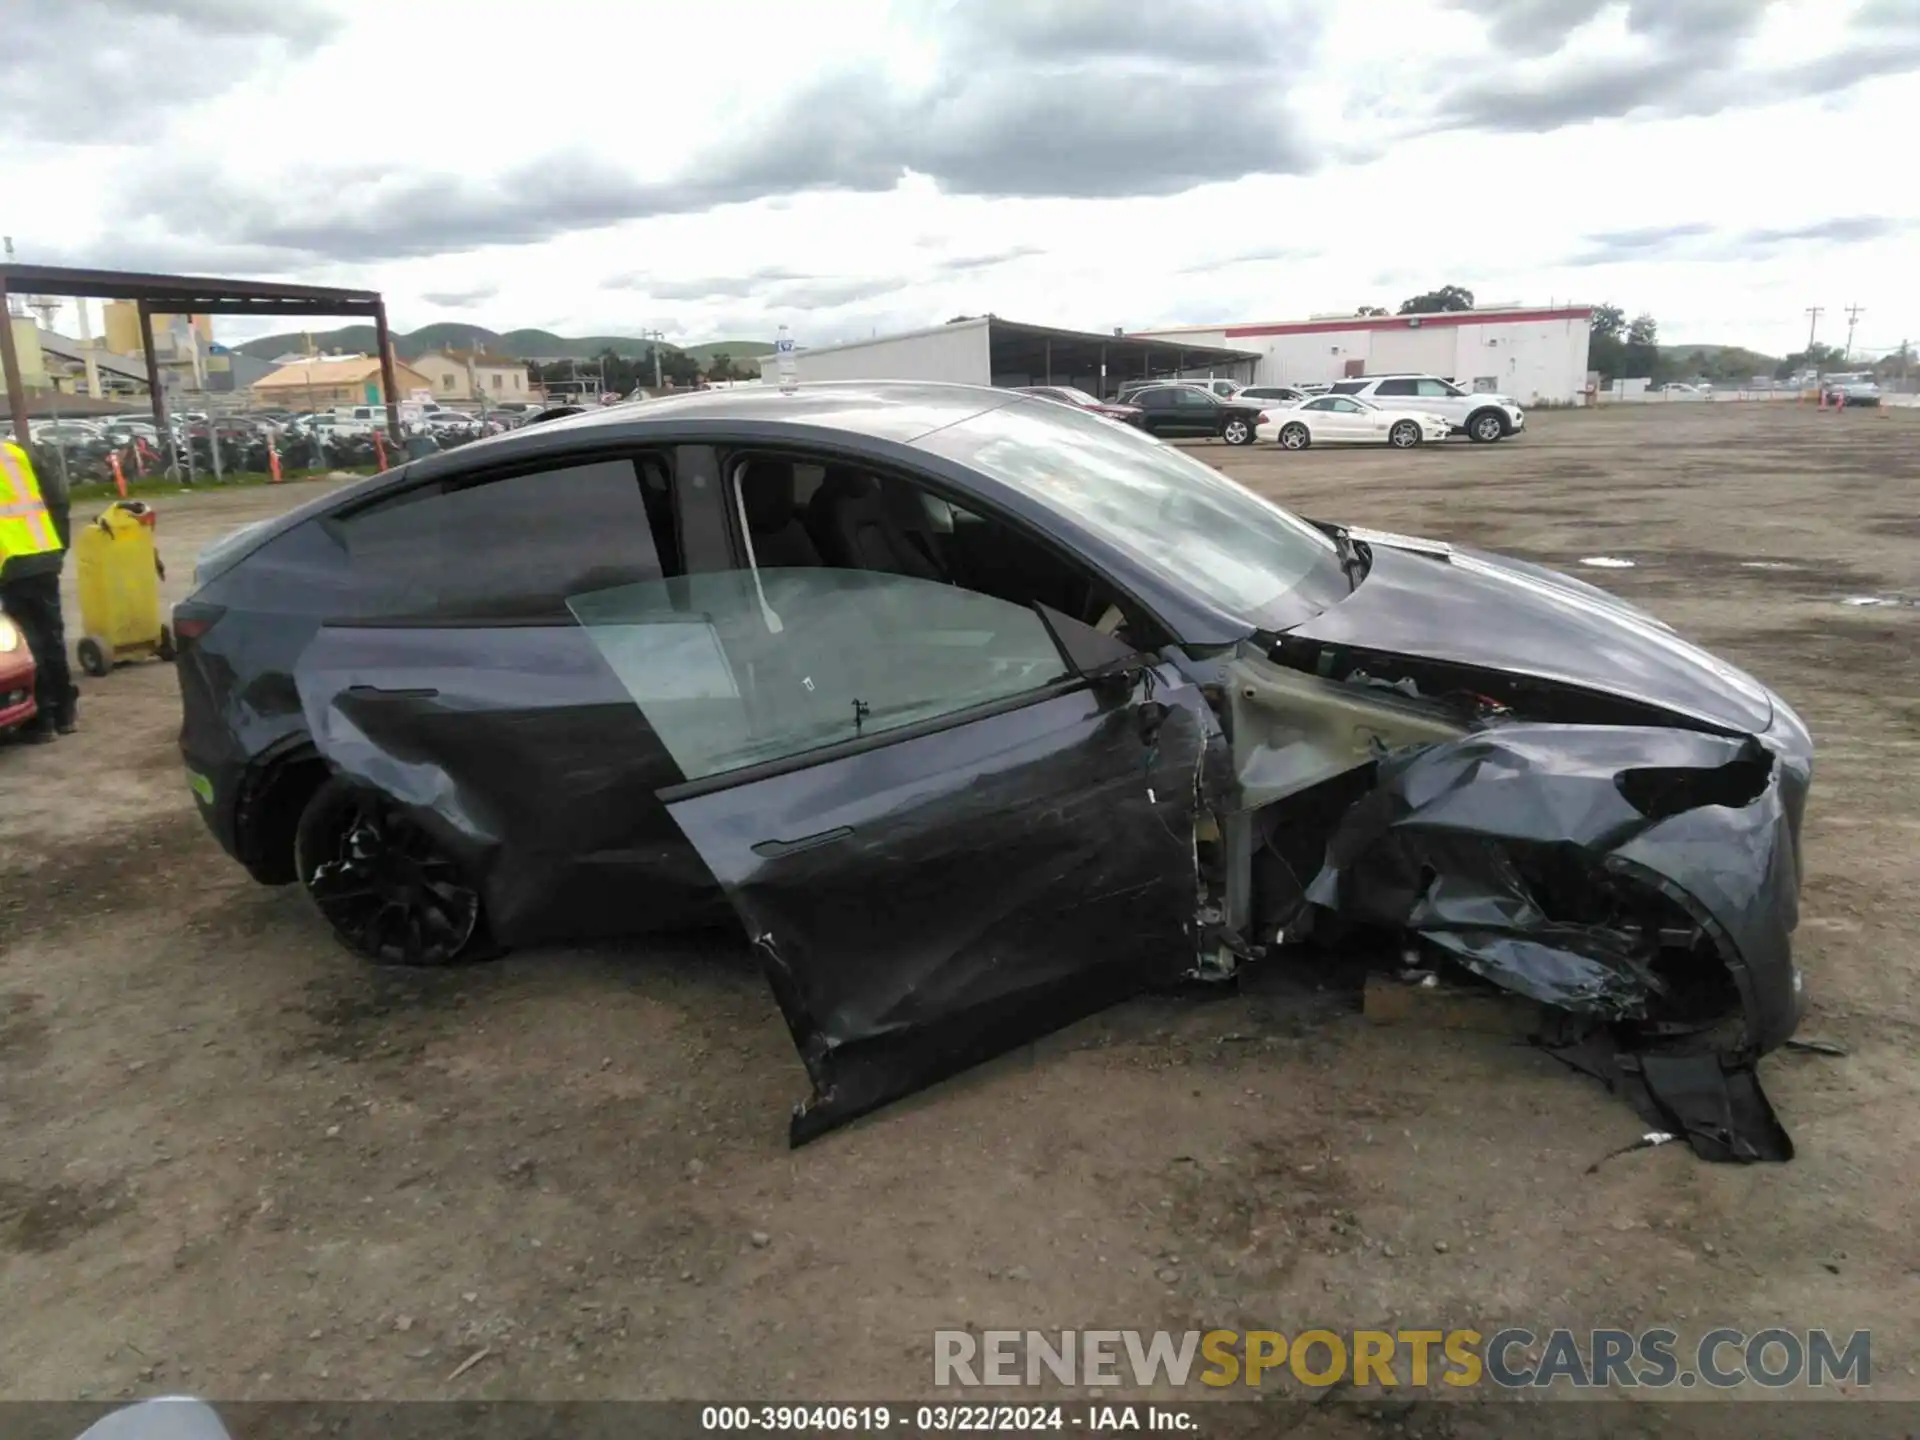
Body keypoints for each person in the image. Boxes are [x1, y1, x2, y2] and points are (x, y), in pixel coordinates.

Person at [0, 436, 75, 742]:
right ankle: (65, 713)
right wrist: (58, 546)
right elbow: (57, 498)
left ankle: (40, 719)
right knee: (52, 636)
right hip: (44, 552)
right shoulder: (16, 452)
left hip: (12, 560)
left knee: (27, 642)